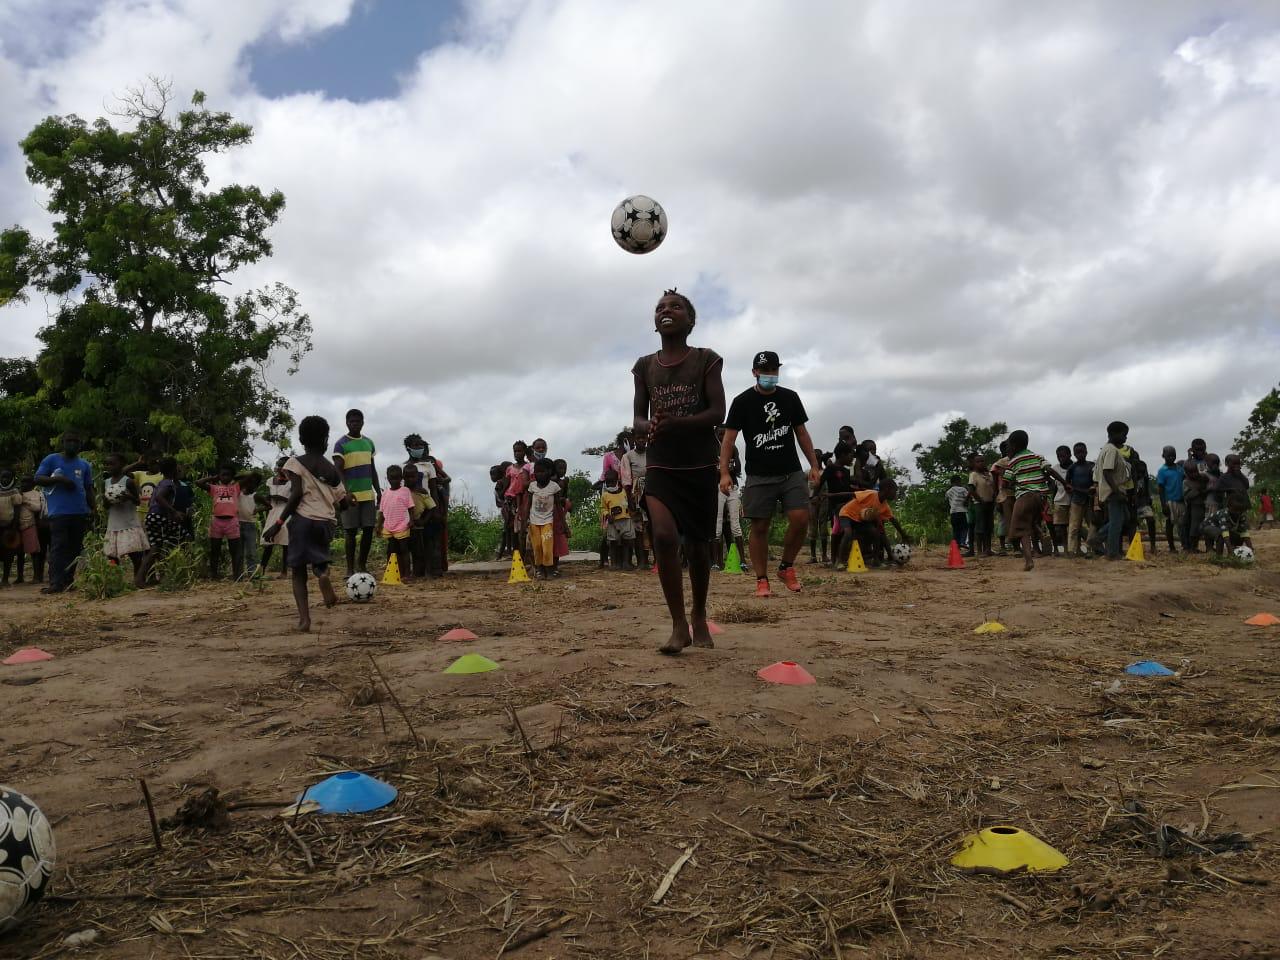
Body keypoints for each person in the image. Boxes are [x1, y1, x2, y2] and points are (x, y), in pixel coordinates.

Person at [632, 288, 726, 655]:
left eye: (675, 306)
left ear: (690, 320)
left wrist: (680, 422)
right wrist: (647, 426)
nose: (665, 311)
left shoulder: (706, 359)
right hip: (660, 464)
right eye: (659, 308)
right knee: (665, 538)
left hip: (700, 463)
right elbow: (638, 416)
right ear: (655, 323)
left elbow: (717, 412)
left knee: (699, 547)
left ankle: (699, 614)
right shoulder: (644, 366)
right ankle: (677, 625)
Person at [721, 350, 821, 597]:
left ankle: (786, 567)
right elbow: (728, 439)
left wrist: (815, 465)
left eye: (773, 371)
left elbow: (802, 433)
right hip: (759, 475)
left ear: (778, 371)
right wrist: (724, 472)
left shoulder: (790, 398)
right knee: (760, 527)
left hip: (790, 472)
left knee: (800, 519)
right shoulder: (742, 402)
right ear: (754, 372)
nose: (769, 375)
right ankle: (761, 579)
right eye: (764, 371)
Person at [264, 415, 347, 632]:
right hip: (326, 522)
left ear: (301, 439)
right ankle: (323, 575)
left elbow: (297, 493)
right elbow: (343, 503)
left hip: (302, 521)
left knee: (298, 570)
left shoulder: (294, 463)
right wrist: (351, 501)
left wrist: (279, 522)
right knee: (319, 561)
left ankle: (304, 620)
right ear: (326, 440)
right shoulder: (332, 470)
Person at [34, 431, 96, 594]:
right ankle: (56, 583)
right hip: (59, 513)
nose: (73, 444)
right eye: (69, 441)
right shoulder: (51, 459)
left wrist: (93, 509)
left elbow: (89, 488)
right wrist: (60, 479)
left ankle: (68, 581)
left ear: (80, 445)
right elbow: (38, 478)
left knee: (75, 548)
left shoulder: (84, 465)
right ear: (63, 442)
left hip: (80, 512)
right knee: (58, 547)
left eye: (76, 441)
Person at [1002, 431, 1064, 571]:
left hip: (1025, 497)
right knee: (1031, 522)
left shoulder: (1013, 462)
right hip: (1041, 498)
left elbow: (1005, 484)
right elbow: (1050, 471)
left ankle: (1029, 560)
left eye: (1009, 446)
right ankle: (1041, 533)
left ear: (1014, 446)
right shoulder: (1038, 457)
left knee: (1020, 530)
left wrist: (1013, 482)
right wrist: (1065, 483)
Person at [333, 408, 380, 576]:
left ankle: (362, 565)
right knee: (351, 532)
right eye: (352, 421)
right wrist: (345, 492)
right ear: (347, 423)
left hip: (367, 494)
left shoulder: (369, 443)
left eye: (358, 421)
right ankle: (350, 568)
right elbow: (338, 470)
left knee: (368, 530)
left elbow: (372, 468)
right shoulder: (341, 444)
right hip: (350, 495)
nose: (355, 424)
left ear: (362, 423)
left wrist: (378, 490)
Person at [834, 478, 910, 568]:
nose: (895, 494)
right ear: (887, 489)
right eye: (894, 491)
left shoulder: (885, 506)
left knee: (876, 533)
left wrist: (903, 534)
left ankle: (876, 561)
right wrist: (829, 495)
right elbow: (850, 494)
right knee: (848, 533)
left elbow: (893, 520)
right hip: (846, 513)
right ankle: (839, 561)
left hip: (859, 520)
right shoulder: (871, 494)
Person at [101, 453, 150, 587]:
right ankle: (115, 581)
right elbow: (105, 506)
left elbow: (138, 502)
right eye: (107, 464)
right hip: (113, 525)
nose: (109, 466)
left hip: (129, 523)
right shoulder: (105, 483)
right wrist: (107, 500)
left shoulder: (128, 481)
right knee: (112, 556)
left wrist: (128, 497)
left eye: (112, 463)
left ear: (121, 465)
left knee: (135, 555)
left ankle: (138, 580)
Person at [1090, 421, 1132, 561]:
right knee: (1116, 522)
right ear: (1114, 434)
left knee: (1123, 518)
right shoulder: (1111, 450)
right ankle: (1112, 553)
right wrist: (1117, 492)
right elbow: (1107, 472)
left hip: (1115, 490)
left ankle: (1098, 538)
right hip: (1113, 491)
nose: (1125, 438)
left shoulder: (1107, 449)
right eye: (1124, 435)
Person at [197, 466, 244, 581]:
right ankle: (214, 575)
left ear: (232, 476)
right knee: (215, 549)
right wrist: (213, 477)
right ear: (219, 476)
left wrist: (235, 476)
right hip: (217, 521)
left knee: (235, 550)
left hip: (232, 521)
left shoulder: (236, 487)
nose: (225, 477)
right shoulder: (214, 488)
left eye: (228, 475)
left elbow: (251, 476)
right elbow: (198, 482)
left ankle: (237, 575)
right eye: (223, 475)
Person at [814, 444, 857, 563]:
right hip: (835, 506)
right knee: (837, 531)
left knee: (842, 531)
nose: (852, 459)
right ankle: (834, 559)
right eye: (850, 456)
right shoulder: (831, 469)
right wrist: (815, 496)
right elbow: (820, 482)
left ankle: (840, 557)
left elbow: (848, 488)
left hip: (847, 505)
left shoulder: (846, 471)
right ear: (843, 455)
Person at [141, 457, 184, 578]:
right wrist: (174, 512)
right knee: (183, 537)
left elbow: (151, 502)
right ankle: (140, 578)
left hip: (152, 516)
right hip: (158, 516)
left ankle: (161, 575)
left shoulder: (161, 482)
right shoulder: (168, 483)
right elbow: (159, 498)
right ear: (175, 469)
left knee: (157, 547)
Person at [524, 458, 561, 579]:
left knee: (547, 547)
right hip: (534, 522)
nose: (539, 474)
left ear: (549, 472)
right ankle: (539, 569)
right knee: (537, 547)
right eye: (537, 471)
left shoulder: (554, 487)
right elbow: (528, 505)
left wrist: (564, 525)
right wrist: (524, 521)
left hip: (547, 522)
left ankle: (549, 570)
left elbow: (558, 507)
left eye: (542, 471)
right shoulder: (532, 486)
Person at [713, 426, 745, 569]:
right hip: (718, 488)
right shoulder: (712, 450)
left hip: (732, 488)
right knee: (718, 525)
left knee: (735, 525)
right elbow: (711, 471)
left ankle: (743, 561)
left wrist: (724, 468)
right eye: (719, 433)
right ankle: (717, 563)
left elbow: (738, 468)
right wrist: (723, 469)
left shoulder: (733, 448)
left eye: (723, 433)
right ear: (716, 434)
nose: (721, 435)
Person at [376, 464, 415, 582]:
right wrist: (378, 526)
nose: (394, 481)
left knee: (404, 550)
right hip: (389, 525)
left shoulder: (405, 491)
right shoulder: (385, 493)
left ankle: (407, 574)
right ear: (388, 478)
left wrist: (412, 520)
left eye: (397, 478)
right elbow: (381, 512)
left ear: (401, 478)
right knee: (391, 550)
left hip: (402, 525)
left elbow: (411, 507)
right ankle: (392, 571)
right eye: (392, 478)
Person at [598, 466, 636, 571]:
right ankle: (614, 563)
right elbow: (603, 508)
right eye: (607, 482)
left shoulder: (623, 491)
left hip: (626, 520)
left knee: (627, 542)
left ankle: (626, 562)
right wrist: (607, 514)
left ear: (617, 480)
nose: (609, 484)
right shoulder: (605, 495)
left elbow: (630, 504)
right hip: (613, 522)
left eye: (611, 482)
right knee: (613, 542)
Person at [260, 457, 291, 578]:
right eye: (279, 465)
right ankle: (261, 570)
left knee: (285, 543)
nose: (280, 468)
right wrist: (268, 499)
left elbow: (294, 500)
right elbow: (267, 499)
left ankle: (284, 571)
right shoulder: (270, 480)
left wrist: (282, 498)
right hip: (272, 512)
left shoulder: (292, 482)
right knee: (268, 541)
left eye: (283, 466)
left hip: (286, 513)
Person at [403, 462, 436, 579]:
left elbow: (432, 507)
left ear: (417, 477)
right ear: (403, 477)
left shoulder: (422, 492)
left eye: (412, 476)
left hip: (418, 526)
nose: (410, 479)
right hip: (404, 526)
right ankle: (405, 573)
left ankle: (419, 572)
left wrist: (424, 521)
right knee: (405, 550)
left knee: (418, 551)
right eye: (407, 477)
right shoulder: (402, 491)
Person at [1065, 442, 1095, 556]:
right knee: (1073, 526)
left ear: (1086, 452)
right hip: (1076, 500)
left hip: (1090, 501)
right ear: (1074, 454)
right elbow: (1067, 485)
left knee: (1092, 525)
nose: (1080, 454)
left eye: (1082, 451)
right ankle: (1072, 550)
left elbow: (1096, 482)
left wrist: (1092, 489)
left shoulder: (1092, 466)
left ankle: (1089, 549)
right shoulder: (1072, 468)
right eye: (1077, 452)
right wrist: (1075, 490)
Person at [624, 440, 650, 569]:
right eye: (639, 437)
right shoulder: (628, 456)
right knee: (638, 529)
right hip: (636, 493)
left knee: (649, 527)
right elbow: (626, 479)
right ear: (634, 439)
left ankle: (650, 560)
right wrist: (630, 499)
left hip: (651, 490)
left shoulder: (652, 453)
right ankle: (641, 561)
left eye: (644, 437)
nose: (642, 440)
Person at [16, 476, 47, 584]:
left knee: (34, 552)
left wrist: (25, 501)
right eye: (22, 482)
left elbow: (37, 508)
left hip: (29, 525)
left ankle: (36, 577)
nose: (23, 485)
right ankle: (20, 577)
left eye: (26, 482)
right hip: (17, 526)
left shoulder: (35, 494)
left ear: (32, 485)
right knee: (19, 553)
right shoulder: (18, 493)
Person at [1181, 439, 1210, 552]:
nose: (1200, 452)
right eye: (1197, 450)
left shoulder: (1207, 461)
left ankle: (1208, 546)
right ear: (1193, 450)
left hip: (1207, 498)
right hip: (1194, 500)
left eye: (1202, 449)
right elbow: (1186, 474)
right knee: (1192, 523)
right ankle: (1191, 546)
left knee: (1206, 522)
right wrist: (1189, 457)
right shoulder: (1189, 463)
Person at [1204, 492, 1253, 557]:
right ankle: (1219, 557)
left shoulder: (1241, 515)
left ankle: (1236, 552)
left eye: (1240, 511)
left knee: (1239, 536)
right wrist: (1230, 550)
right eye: (1235, 510)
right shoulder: (1224, 514)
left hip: (1220, 529)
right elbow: (1225, 534)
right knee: (1221, 535)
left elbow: (1244, 532)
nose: (1237, 513)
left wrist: (1251, 549)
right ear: (1229, 507)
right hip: (1207, 526)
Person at [1155, 446, 1184, 553]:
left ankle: (1185, 545)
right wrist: (1163, 504)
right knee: (1170, 524)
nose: (1172, 457)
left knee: (1183, 524)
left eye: (1173, 455)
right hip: (1169, 501)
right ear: (1163, 456)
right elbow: (1161, 489)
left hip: (1181, 501)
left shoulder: (1180, 469)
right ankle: (1171, 547)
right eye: (1169, 455)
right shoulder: (1162, 471)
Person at [967, 453, 996, 557]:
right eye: (978, 461)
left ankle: (988, 549)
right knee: (980, 528)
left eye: (982, 461)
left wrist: (993, 499)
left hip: (990, 503)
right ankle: (979, 551)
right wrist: (980, 500)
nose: (980, 463)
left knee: (988, 527)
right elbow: (971, 490)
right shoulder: (973, 475)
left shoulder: (989, 475)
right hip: (979, 504)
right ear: (974, 464)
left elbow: (993, 488)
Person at [124, 450, 165, 522]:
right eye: (151, 463)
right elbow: (123, 472)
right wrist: (137, 463)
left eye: (156, 463)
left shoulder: (162, 476)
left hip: (153, 511)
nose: (154, 465)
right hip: (139, 510)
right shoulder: (140, 474)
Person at [1048, 446, 1073, 554]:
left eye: (1063, 456)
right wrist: (1052, 502)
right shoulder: (1055, 468)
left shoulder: (1074, 467)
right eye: (1058, 456)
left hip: (1073, 501)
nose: (1061, 458)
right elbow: (1054, 486)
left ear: (1069, 455)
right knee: (1062, 527)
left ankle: (1074, 548)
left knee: (1074, 526)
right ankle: (1066, 549)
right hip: (1060, 501)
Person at [237, 472, 262, 576]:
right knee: (239, 551)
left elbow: (269, 505)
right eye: (248, 483)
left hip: (250, 524)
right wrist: (249, 475)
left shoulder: (255, 496)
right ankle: (239, 573)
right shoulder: (238, 493)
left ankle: (251, 572)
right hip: (237, 524)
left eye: (254, 484)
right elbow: (236, 478)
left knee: (251, 551)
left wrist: (258, 509)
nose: (250, 486)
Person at [991, 441, 1013, 555]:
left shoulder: (1015, 461)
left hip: (1014, 494)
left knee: (1013, 520)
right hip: (1002, 495)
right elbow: (995, 484)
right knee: (1003, 521)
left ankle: (1014, 545)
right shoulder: (998, 465)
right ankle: (1003, 547)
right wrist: (996, 499)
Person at [0, 469, 20, 587]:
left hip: (9, 527)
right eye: (3, 477)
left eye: (7, 477)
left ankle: (5, 579)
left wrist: (14, 528)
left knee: (8, 554)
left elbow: (17, 510)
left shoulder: (14, 492)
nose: (5, 480)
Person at [552, 458, 572, 573]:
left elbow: (565, 495)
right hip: (554, 513)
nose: (563, 471)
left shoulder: (563, 481)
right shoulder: (553, 481)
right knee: (554, 542)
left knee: (558, 542)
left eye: (565, 468)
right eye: (560, 468)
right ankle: (553, 567)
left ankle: (555, 567)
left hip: (560, 514)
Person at [944, 474, 970, 551]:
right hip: (962, 511)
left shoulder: (948, 492)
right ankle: (963, 542)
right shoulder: (962, 489)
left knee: (955, 529)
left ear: (951, 483)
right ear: (958, 481)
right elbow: (968, 497)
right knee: (964, 527)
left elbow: (946, 499)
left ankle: (956, 545)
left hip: (953, 512)